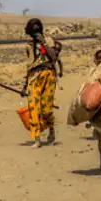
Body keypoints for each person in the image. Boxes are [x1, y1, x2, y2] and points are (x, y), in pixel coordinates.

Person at [22, 18, 63, 148]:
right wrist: (24, 86)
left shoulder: (49, 41)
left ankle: (51, 130)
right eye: (33, 29)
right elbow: (28, 66)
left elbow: (54, 57)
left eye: (37, 28)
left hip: (48, 75)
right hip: (34, 77)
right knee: (33, 106)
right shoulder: (28, 46)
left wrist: (43, 42)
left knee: (46, 108)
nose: (36, 31)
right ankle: (37, 138)